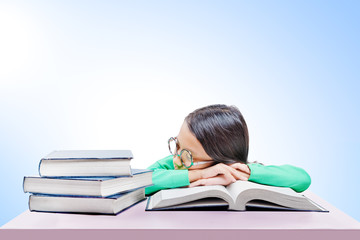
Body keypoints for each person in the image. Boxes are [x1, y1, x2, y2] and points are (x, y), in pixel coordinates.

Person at [145, 104, 311, 195]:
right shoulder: (172, 165)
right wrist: (199, 174)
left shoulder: (240, 170)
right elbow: (138, 182)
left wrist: (247, 172)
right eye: (177, 145)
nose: (177, 158)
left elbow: (303, 179)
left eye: (188, 155)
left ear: (222, 161)